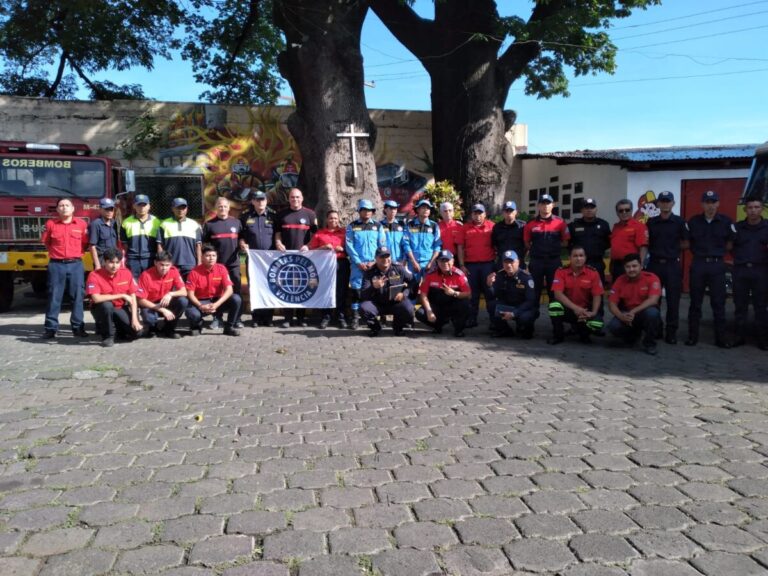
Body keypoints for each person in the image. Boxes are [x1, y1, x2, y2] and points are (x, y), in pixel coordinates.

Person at [685, 190, 735, 348]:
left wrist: (718, 254)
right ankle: (692, 337)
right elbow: (688, 242)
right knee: (695, 302)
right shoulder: (693, 221)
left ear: (718, 203)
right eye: (707, 202)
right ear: (702, 204)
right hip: (699, 263)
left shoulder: (727, 222)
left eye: (713, 202)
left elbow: (730, 244)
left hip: (717, 265)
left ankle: (720, 338)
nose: (710, 205)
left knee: (718, 302)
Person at [41, 197, 89, 339]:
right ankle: (50, 328)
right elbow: (46, 242)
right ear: (57, 209)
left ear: (73, 208)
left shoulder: (81, 224)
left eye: (67, 205)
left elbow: (85, 243)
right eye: (61, 205)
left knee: (78, 297)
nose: (64, 208)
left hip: (76, 265)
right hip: (56, 265)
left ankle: (78, 327)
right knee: (54, 297)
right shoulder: (50, 224)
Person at [646, 191, 689, 344]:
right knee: (653, 300)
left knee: (673, 300)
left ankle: (671, 332)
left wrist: (671, 249)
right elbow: (646, 242)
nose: (665, 204)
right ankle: (656, 329)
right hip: (654, 264)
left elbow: (686, 243)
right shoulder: (651, 222)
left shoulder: (680, 222)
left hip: (671, 265)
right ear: (658, 204)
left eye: (668, 201)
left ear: (673, 203)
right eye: (662, 201)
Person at [274, 188, 318, 327]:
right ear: (289, 199)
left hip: (304, 257)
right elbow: (277, 232)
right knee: (286, 287)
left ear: (302, 198)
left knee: (302, 287)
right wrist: (278, 242)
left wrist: (309, 246)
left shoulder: (310, 214)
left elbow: (316, 235)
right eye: (292, 197)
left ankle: (300, 318)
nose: (295, 200)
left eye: (298, 197)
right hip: (285, 257)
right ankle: (287, 318)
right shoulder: (281, 214)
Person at [86, 248, 143, 347]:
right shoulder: (94, 275)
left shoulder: (126, 273)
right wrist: (121, 295)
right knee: (107, 306)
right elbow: (96, 298)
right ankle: (108, 336)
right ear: (104, 262)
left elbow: (133, 297)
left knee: (137, 333)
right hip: (101, 308)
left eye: (117, 262)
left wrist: (135, 319)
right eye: (111, 262)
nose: (114, 266)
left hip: (119, 307)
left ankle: (120, 332)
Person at [731, 197, 768, 349]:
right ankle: (739, 337)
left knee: (761, 306)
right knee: (740, 306)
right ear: (745, 210)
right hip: (741, 270)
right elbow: (730, 247)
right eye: (750, 207)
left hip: (761, 271)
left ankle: (763, 340)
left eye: (756, 207)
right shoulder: (737, 227)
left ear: (762, 209)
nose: (753, 210)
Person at [547, 246, 604, 345]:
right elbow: (558, 294)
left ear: (585, 257)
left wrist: (593, 312)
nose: (578, 258)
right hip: (568, 309)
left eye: (581, 256)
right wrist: (576, 308)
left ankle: (583, 334)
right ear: (570, 258)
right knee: (554, 306)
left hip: (585, 311)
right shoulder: (561, 271)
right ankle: (558, 335)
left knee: (597, 324)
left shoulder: (593, 273)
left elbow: (597, 295)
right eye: (575, 256)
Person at [607, 253, 662, 355]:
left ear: (641, 266)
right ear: (624, 268)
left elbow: (653, 300)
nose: (631, 269)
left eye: (634, 266)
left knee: (652, 314)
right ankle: (632, 337)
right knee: (613, 326)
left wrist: (633, 312)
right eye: (628, 267)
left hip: (643, 313)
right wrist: (621, 316)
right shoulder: (620, 280)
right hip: (627, 313)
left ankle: (649, 344)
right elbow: (611, 303)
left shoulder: (652, 278)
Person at [202, 196, 243, 328]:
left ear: (229, 208)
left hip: (233, 264)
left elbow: (242, 239)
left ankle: (237, 319)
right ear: (216, 208)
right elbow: (205, 246)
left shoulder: (237, 223)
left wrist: (242, 244)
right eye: (220, 206)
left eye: (225, 206)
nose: (223, 209)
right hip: (217, 266)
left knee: (236, 292)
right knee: (217, 292)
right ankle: (217, 318)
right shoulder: (209, 225)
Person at [346, 198, 386, 330]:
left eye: (369, 210)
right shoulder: (352, 226)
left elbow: (382, 245)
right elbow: (349, 245)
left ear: (372, 212)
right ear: (359, 211)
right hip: (358, 266)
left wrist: (375, 261)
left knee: (375, 289)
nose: (367, 213)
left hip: (374, 264)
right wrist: (358, 262)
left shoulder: (378, 226)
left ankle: (374, 316)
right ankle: (356, 317)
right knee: (356, 291)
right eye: (364, 210)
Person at [185, 244, 242, 336]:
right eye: (207, 256)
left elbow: (229, 289)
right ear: (202, 257)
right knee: (191, 313)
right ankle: (197, 326)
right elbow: (190, 293)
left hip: (217, 301)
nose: (211, 258)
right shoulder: (194, 272)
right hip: (201, 301)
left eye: (213, 256)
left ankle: (229, 327)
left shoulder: (222, 269)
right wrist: (200, 306)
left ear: (216, 257)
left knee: (236, 299)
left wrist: (216, 304)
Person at [239, 189, 277, 327]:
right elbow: (241, 236)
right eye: (258, 199)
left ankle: (268, 318)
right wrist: (242, 243)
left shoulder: (273, 216)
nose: (261, 202)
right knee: (254, 287)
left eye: (263, 199)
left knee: (270, 286)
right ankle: (256, 318)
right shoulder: (245, 217)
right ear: (253, 201)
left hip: (270, 259)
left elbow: (278, 235)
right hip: (253, 260)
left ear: (266, 201)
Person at [524, 194, 570, 302]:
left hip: (553, 262)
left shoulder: (560, 222)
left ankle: (556, 318)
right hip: (536, 262)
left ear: (553, 205)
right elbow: (527, 243)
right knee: (534, 291)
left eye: (548, 203)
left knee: (555, 292)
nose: (545, 206)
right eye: (542, 203)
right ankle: (530, 317)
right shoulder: (530, 224)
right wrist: (538, 249)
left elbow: (566, 242)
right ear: (538, 206)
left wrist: (552, 247)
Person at [359, 246, 414, 336]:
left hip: (395, 303)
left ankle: (398, 327)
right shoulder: (369, 272)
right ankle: (375, 328)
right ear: (376, 258)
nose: (385, 259)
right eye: (382, 257)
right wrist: (373, 286)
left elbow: (412, 282)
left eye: (387, 256)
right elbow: (363, 294)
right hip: (377, 304)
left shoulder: (398, 268)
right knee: (364, 308)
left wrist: (404, 294)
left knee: (409, 308)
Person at [415, 249, 471, 337]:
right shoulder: (430, 275)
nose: (445, 263)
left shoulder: (459, 275)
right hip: (437, 306)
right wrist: (429, 311)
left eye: (447, 260)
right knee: (420, 313)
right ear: (437, 262)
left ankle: (458, 328)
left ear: (452, 261)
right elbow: (423, 294)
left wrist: (454, 293)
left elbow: (468, 293)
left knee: (465, 304)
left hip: (453, 305)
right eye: (442, 260)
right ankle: (437, 326)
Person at [309, 210, 350, 329]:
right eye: (331, 218)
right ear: (327, 220)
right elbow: (311, 250)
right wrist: (323, 247)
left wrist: (342, 249)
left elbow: (351, 250)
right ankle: (326, 317)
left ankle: (341, 317)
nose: (333, 220)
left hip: (341, 263)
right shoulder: (320, 233)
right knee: (326, 290)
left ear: (339, 219)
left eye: (336, 218)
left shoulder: (345, 232)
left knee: (341, 291)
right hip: (325, 265)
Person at [457, 203, 495, 329]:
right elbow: (460, 247)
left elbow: (498, 245)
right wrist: (462, 265)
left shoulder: (492, 226)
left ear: (485, 214)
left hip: (487, 265)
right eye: (475, 213)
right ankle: (472, 319)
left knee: (490, 293)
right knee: (472, 294)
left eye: (480, 213)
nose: (478, 216)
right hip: (471, 266)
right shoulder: (465, 228)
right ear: (471, 215)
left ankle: (494, 320)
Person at [136, 251, 189, 339]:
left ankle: (169, 328)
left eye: (167, 265)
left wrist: (170, 294)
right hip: (151, 305)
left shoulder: (174, 271)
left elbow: (184, 292)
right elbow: (140, 300)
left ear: (171, 264)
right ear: (155, 263)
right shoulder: (146, 275)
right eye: (161, 264)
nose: (164, 268)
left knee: (183, 301)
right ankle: (153, 328)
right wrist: (162, 310)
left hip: (165, 302)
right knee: (150, 319)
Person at [486, 250, 537, 339]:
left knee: (525, 320)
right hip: (509, 306)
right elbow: (493, 296)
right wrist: (490, 285)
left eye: (511, 262)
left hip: (524, 308)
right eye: (506, 262)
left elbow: (530, 301)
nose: (509, 265)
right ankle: (504, 330)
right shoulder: (500, 275)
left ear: (518, 262)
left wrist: (514, 313)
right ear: (502, 263)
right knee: (492, 305)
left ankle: (526, 330)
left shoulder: (526, 277)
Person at [567, 198, 610, 283]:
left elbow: (608, 242)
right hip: (579, 264)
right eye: (586, 208)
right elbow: (567, 243)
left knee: (598, 291)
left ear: (596, 209)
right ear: (581, 210)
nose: (589, 210)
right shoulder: (573, 226)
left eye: (592, 207)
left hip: (597, 263)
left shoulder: (603, 224)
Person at [158, 197, 202, 280]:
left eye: (183, 207)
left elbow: (198, 246)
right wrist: (161, 261)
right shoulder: (164, 224)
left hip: (190, 264)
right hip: (170, 264)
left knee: (189, 289)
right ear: (172, 209)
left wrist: (199, 263)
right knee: (172, 290)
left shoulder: (194, 224)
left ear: (187, 209)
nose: (181, 210)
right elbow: (160, 245)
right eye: (178, 207)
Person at [120, 194, 160, 280]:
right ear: (134, 206)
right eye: (139, 205)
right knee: (134, 285)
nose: (142, 208)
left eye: (144, 205)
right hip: (132, 260)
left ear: (149, 206)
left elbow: (159, 244)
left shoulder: (156, 222)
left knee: (149, 283)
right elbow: (124, 244)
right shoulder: (126, 222)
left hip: (150, 259)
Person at [610, 199, 648, 283]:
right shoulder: (615, 227)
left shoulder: (639, 226)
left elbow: (643, 247)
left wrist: (640, 265)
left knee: (631, 292)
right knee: (617, 291)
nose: (624, 212)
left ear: (631, 210)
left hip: (631, 266)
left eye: (627, 210)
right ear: (617, 212)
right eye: (621, 210)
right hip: (616, 266)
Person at [406, 198, 441, 286]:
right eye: (423, 207)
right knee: (412, 290)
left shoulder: (434, 226)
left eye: (428, 208)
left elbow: (437, 246)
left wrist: (431, 262)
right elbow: (406, 244)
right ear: (417, 210)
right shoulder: (410, 225)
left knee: (430, 289)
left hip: (429, 264)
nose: (426, 210)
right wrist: (413, 262)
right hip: (413, 263)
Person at [491, 200, 526, 270]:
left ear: (516, 212)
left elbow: (527, 244)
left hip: (518, 262)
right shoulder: (497, 227)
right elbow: (494, 244)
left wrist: (522, 256)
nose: (509, 213)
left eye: (511, 211)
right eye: (507, 211)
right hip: (502, 262)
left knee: (519, 281)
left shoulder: (522, 226)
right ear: (503, 213)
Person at [88, 197, 120, 271]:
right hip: (102, 260)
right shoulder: (95, 224)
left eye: (111, 209)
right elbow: (92, 246)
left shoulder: (114, 223)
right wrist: (97, 264)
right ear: (100, 210)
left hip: (114, 259)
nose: (109, 212)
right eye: (106, 209)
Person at [381, 199, 411, 268]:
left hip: (400, 261)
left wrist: (405, 258)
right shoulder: (380, 225)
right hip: (385, 261)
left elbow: (405, 243)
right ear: (385, 210)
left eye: (395, 208)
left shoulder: (402, 225)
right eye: (390, 208)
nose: (393, 211)